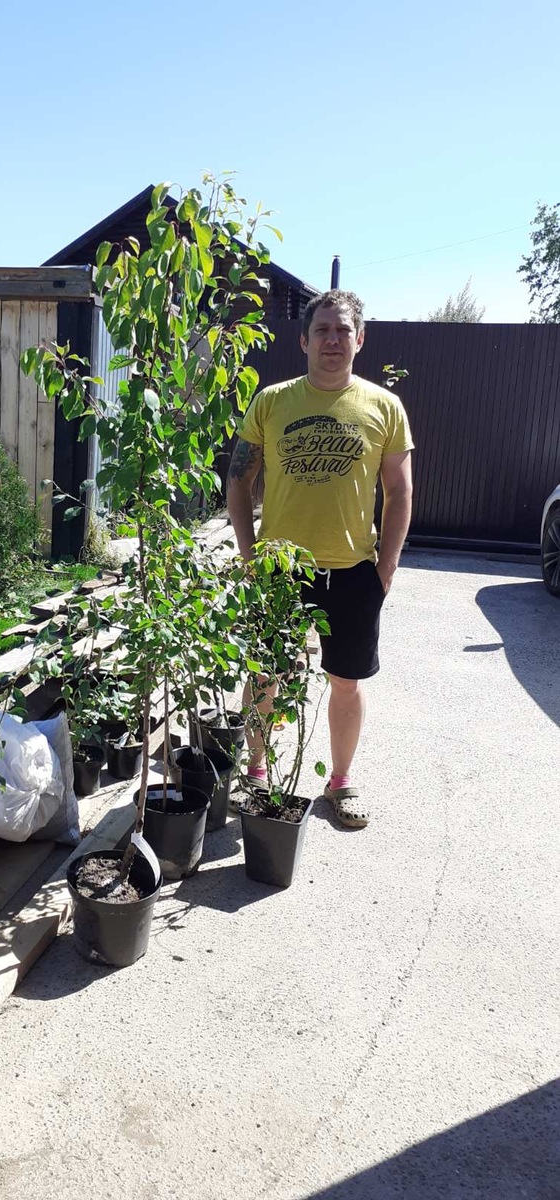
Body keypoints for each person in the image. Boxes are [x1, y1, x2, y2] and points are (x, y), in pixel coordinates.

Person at [226, 289, 413, 827]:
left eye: (343, 330)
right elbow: (238, 480)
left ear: (360, 339)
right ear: (304, 341)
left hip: (353, 571)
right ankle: (256, 771)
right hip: (280, 571)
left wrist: (386, 567)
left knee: (346, 682)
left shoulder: (384, 407)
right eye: (323, 330)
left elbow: (399, 492)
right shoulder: (272, 401)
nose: (333, 340)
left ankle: (340, 782)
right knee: (266, 675)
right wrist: (249, 555)